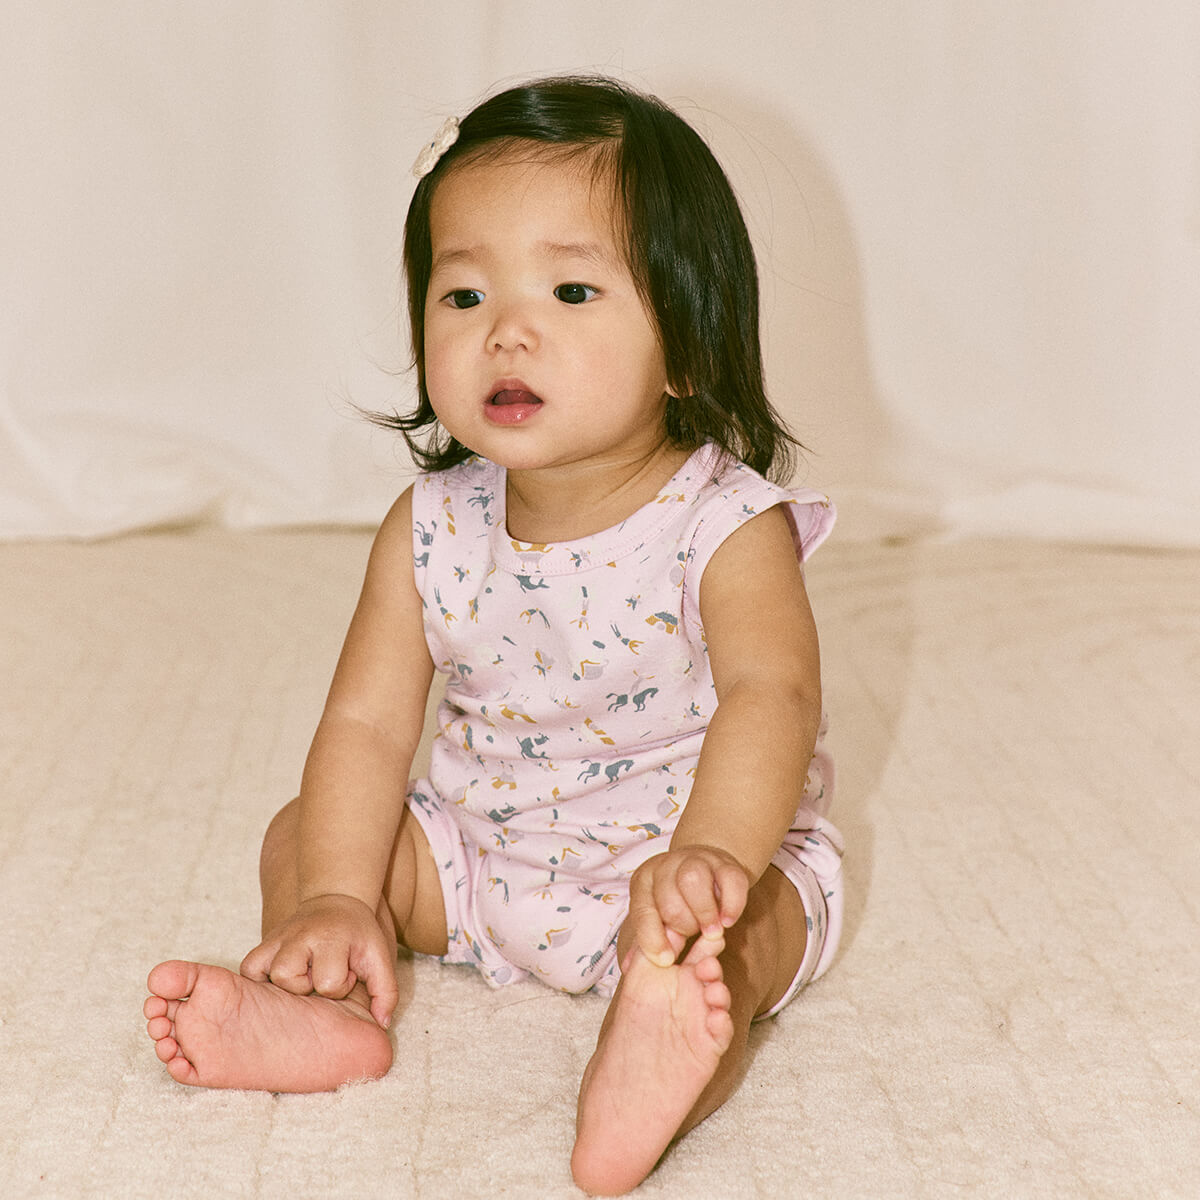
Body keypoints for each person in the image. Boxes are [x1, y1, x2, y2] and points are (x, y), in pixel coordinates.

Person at [143, 75, 844, 1196]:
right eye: (464, 295)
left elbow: (774, 695)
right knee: (303, 834)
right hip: (480, 858)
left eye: (571, 289)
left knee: (747, 938)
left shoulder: (725, 525)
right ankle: (325, 1007)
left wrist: (712, 855)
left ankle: (661, 1048)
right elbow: (368, 725)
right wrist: (337, 894)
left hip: (685, 864)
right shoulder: (429, 526)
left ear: (687, 346)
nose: (507, 330)